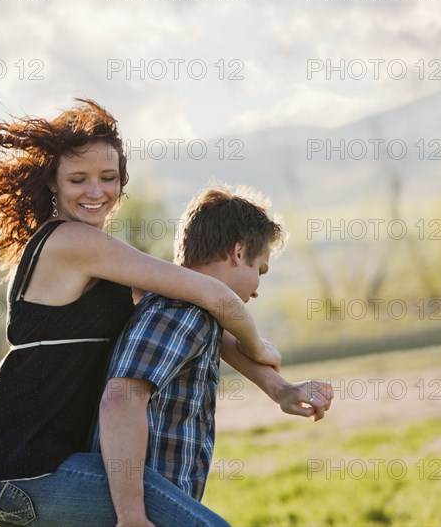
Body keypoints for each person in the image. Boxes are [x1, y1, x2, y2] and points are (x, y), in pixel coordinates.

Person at [0, 99, 282, 526]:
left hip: (25, 470)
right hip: (24, 470)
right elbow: (213, 294)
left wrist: (276, 388)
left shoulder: (100, 255)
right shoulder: (73, 243)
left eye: (108, 178)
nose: (95, 191)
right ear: (54, 184)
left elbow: (191, 311)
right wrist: (258, 345)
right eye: (78, 179)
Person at [96, 185, 334, 526]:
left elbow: (224, 340)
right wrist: (131, 516)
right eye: (260, 270)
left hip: (160, 493)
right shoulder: (181, 313)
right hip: (145, 497)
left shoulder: (192, 312)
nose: (256, 289)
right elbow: (121, 399)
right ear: (238, 252)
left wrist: (281, 389)